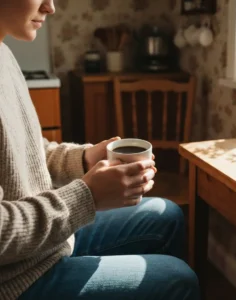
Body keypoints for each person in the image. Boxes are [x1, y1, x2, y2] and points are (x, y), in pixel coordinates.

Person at [0, 1, 200, 299]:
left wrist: (85, 158)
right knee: (179, 279)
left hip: (43, 246)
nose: (51, 7)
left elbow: (24, 153)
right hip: (16, 279)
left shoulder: (3, 53)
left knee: (166, 213)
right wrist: (87, 196)